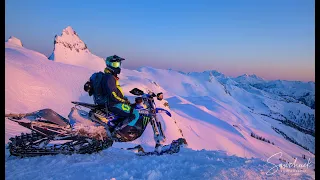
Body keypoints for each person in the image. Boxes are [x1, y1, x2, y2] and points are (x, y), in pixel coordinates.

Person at [84, 55, 139, 131]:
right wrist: (124, 101)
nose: (117, 67)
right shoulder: (109, 78)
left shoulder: (107, 76)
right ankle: (122, 132)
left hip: (107, 103)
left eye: (118, 64)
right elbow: (113, 95)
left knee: (131, 109)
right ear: (109, 65)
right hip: (113, 103)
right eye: (115, 64)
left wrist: (125, 100)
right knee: (135, 114)